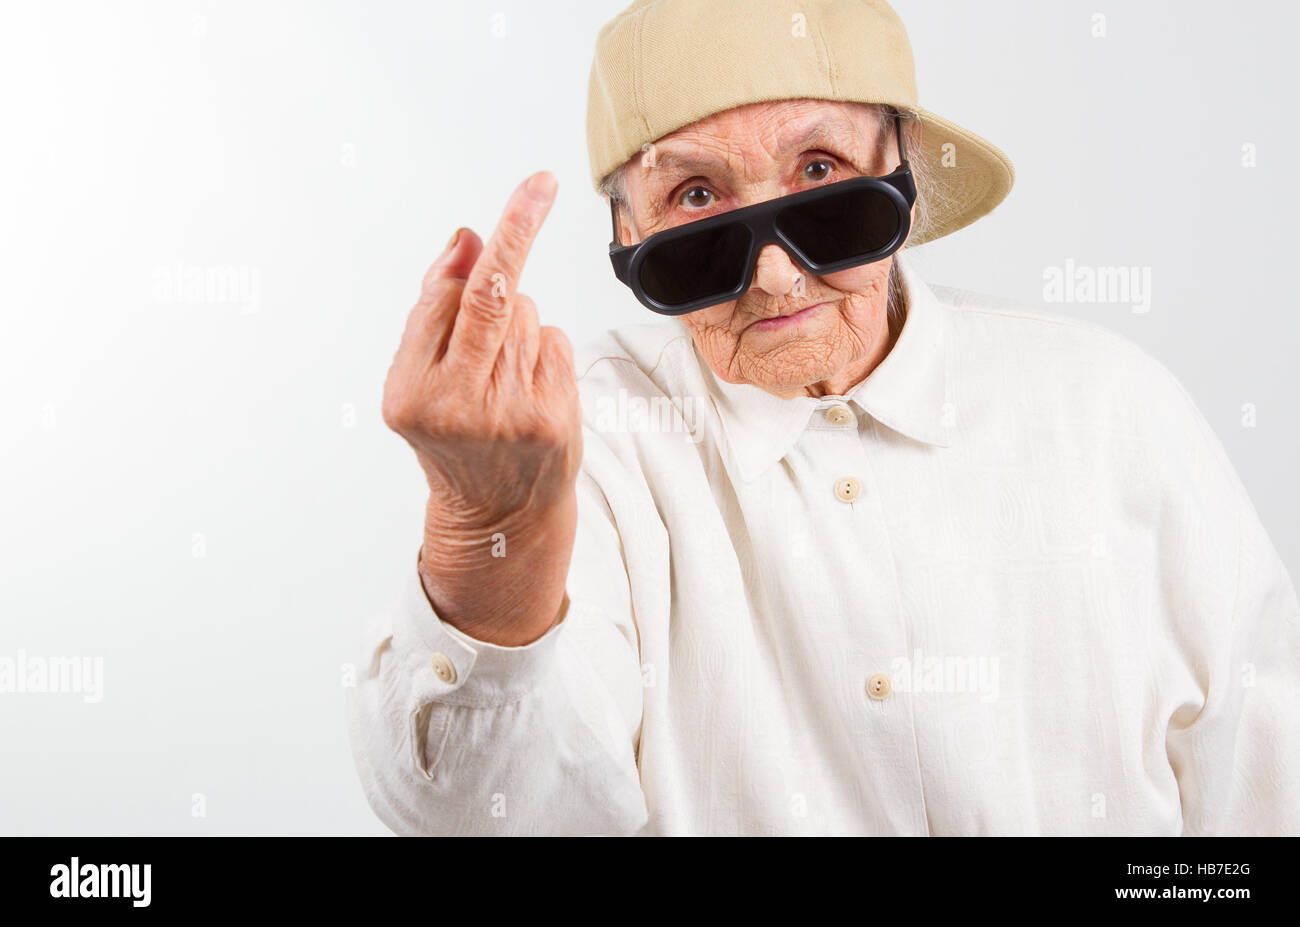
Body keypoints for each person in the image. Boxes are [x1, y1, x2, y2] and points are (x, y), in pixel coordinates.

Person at [346, 0, 1300, 836]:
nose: (774, 276)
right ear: (628, 238)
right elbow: (495, 812)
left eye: (818, 169)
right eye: (695, 196)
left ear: (902, 168)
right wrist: (490, 534)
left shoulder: (1113, 410)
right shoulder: (585, 444)